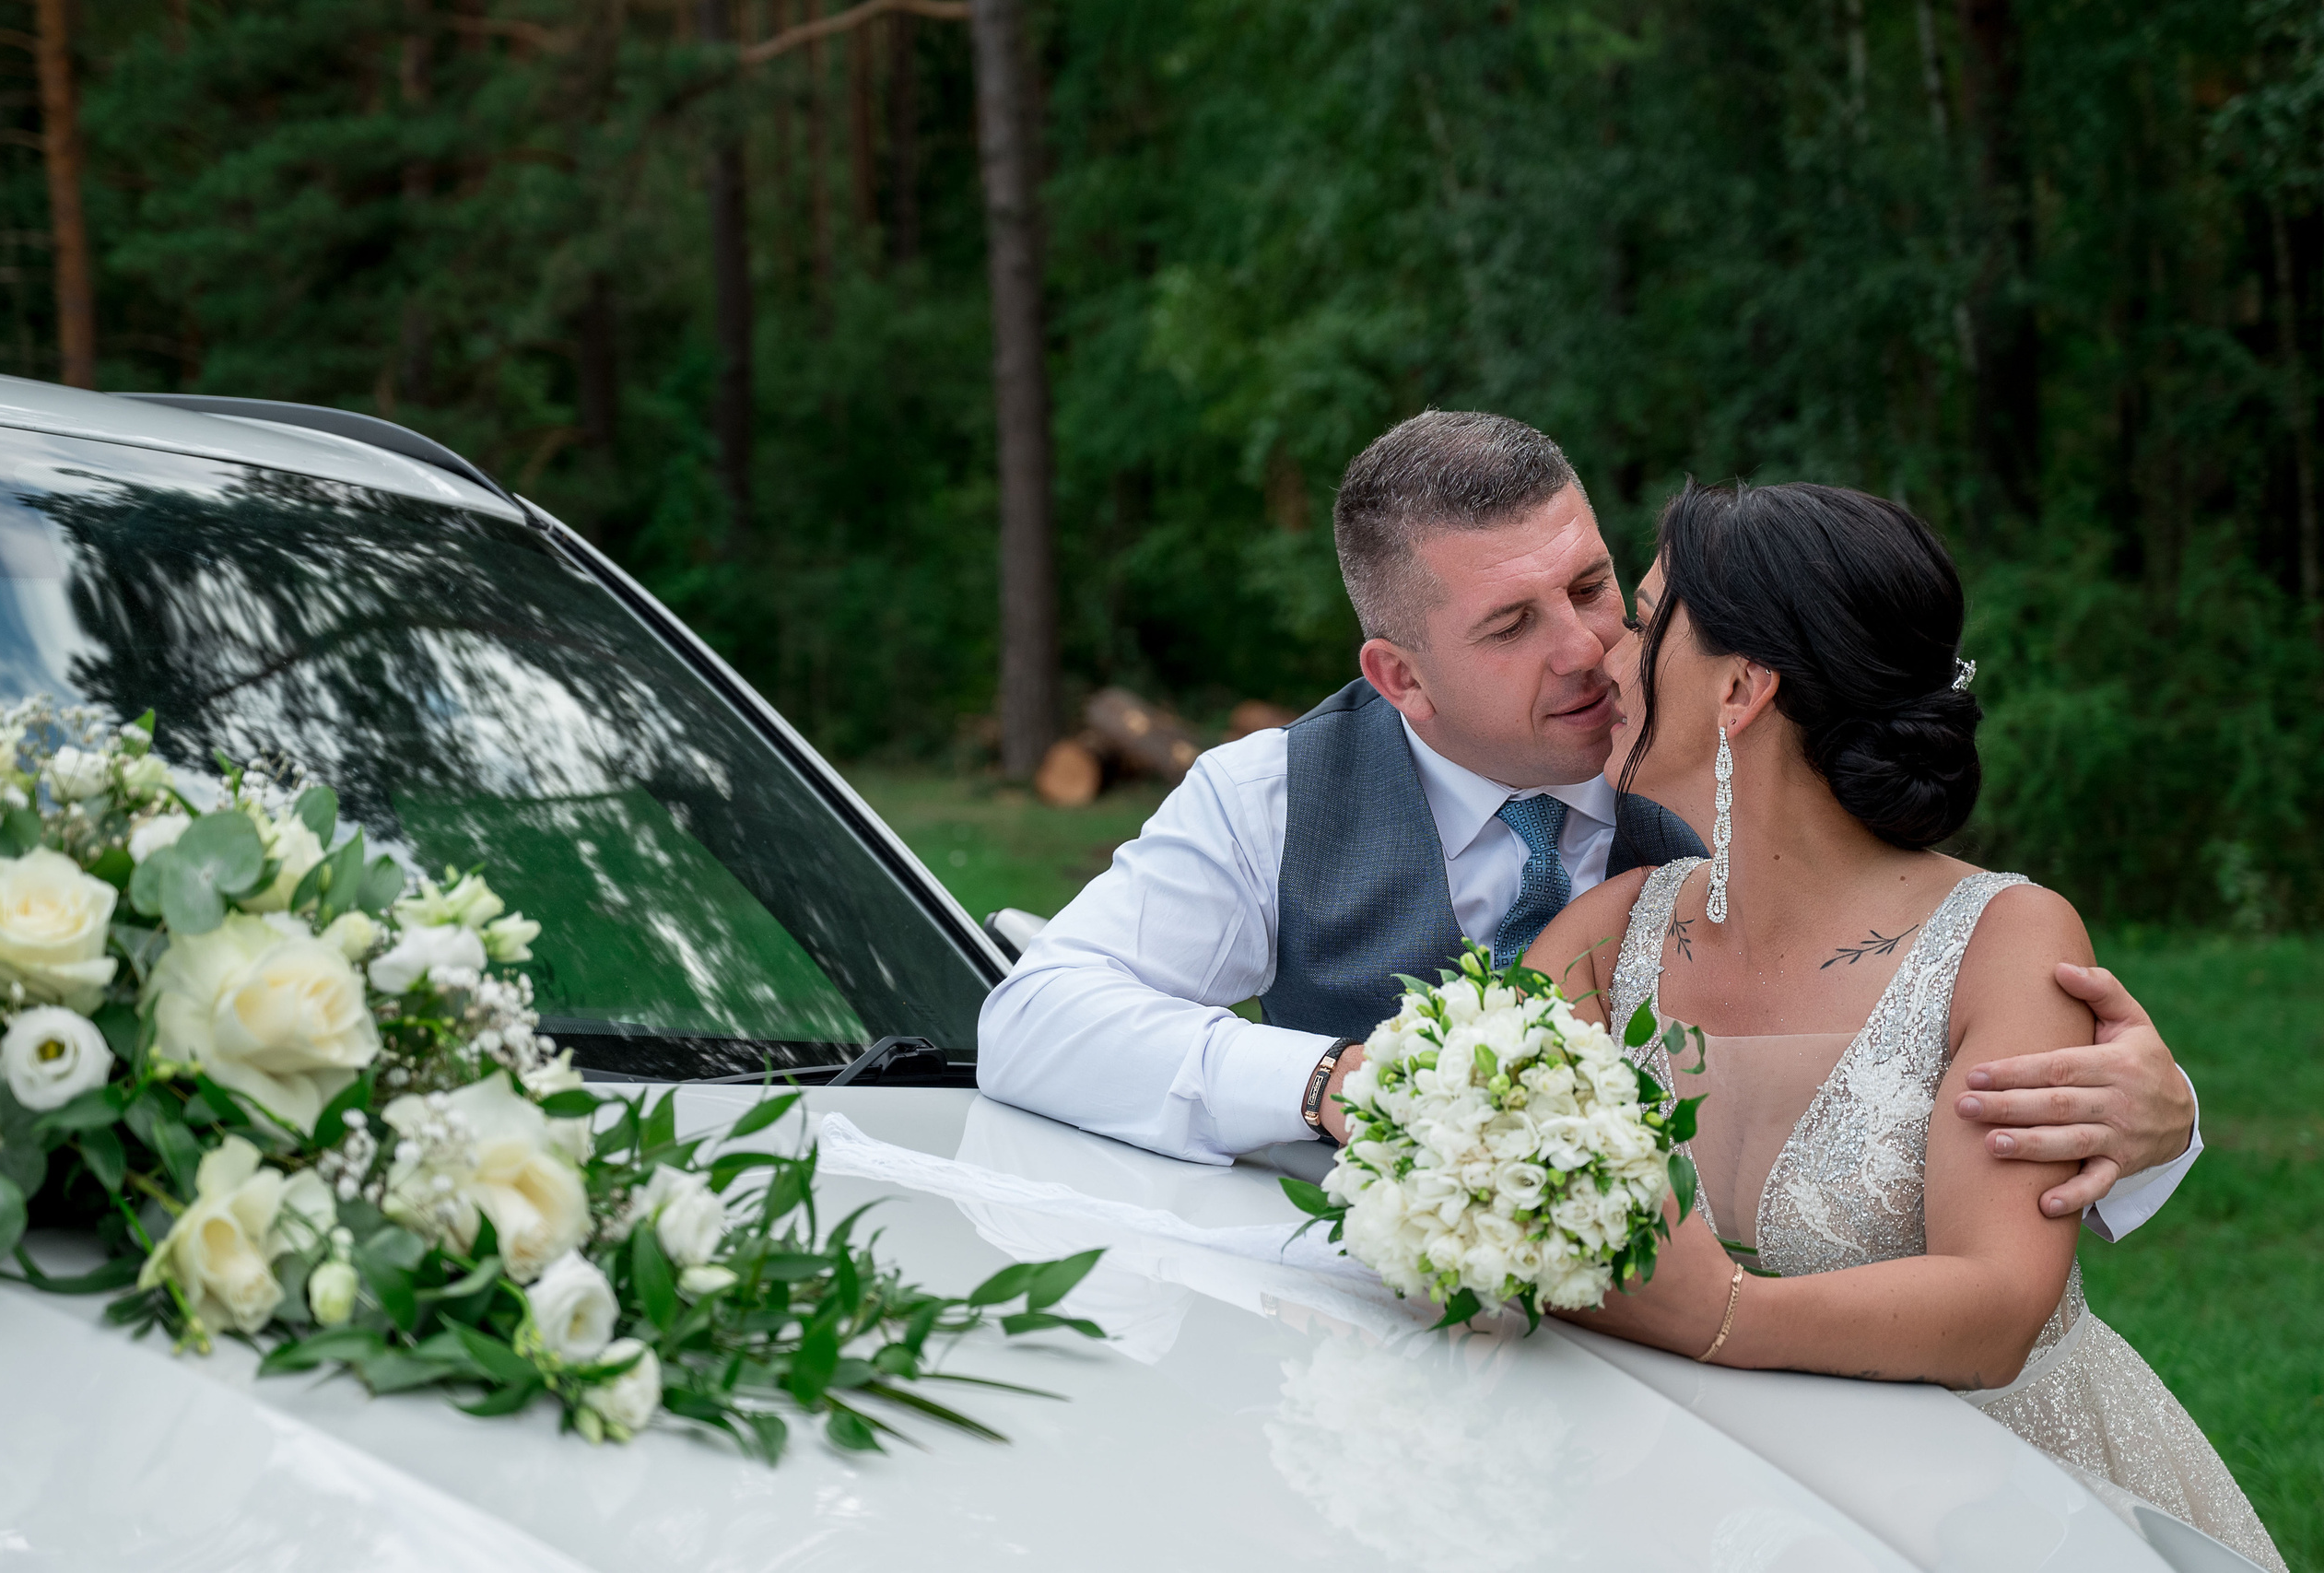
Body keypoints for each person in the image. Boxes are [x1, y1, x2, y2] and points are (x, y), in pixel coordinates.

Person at [977, 410, 2201, 1238]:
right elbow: (1034, 1017)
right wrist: (1327, 1079)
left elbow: (1905, 1008)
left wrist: (2154, 1128)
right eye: (1511, 627)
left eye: (1592, 586)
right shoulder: (1276, 793)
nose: (1587, 651)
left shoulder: (1718, 762)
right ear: (1400, 676)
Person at [1522, 480, 2282, 1567]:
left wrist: (1714, 1312)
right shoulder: (1607, 932)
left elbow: (1993, 1307)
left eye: (1643, 618)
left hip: (1997, 1503)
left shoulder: (2007, 942)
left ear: (1740, 687)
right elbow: (1489, 1151)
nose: (1604, 652)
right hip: (1685, 1487)